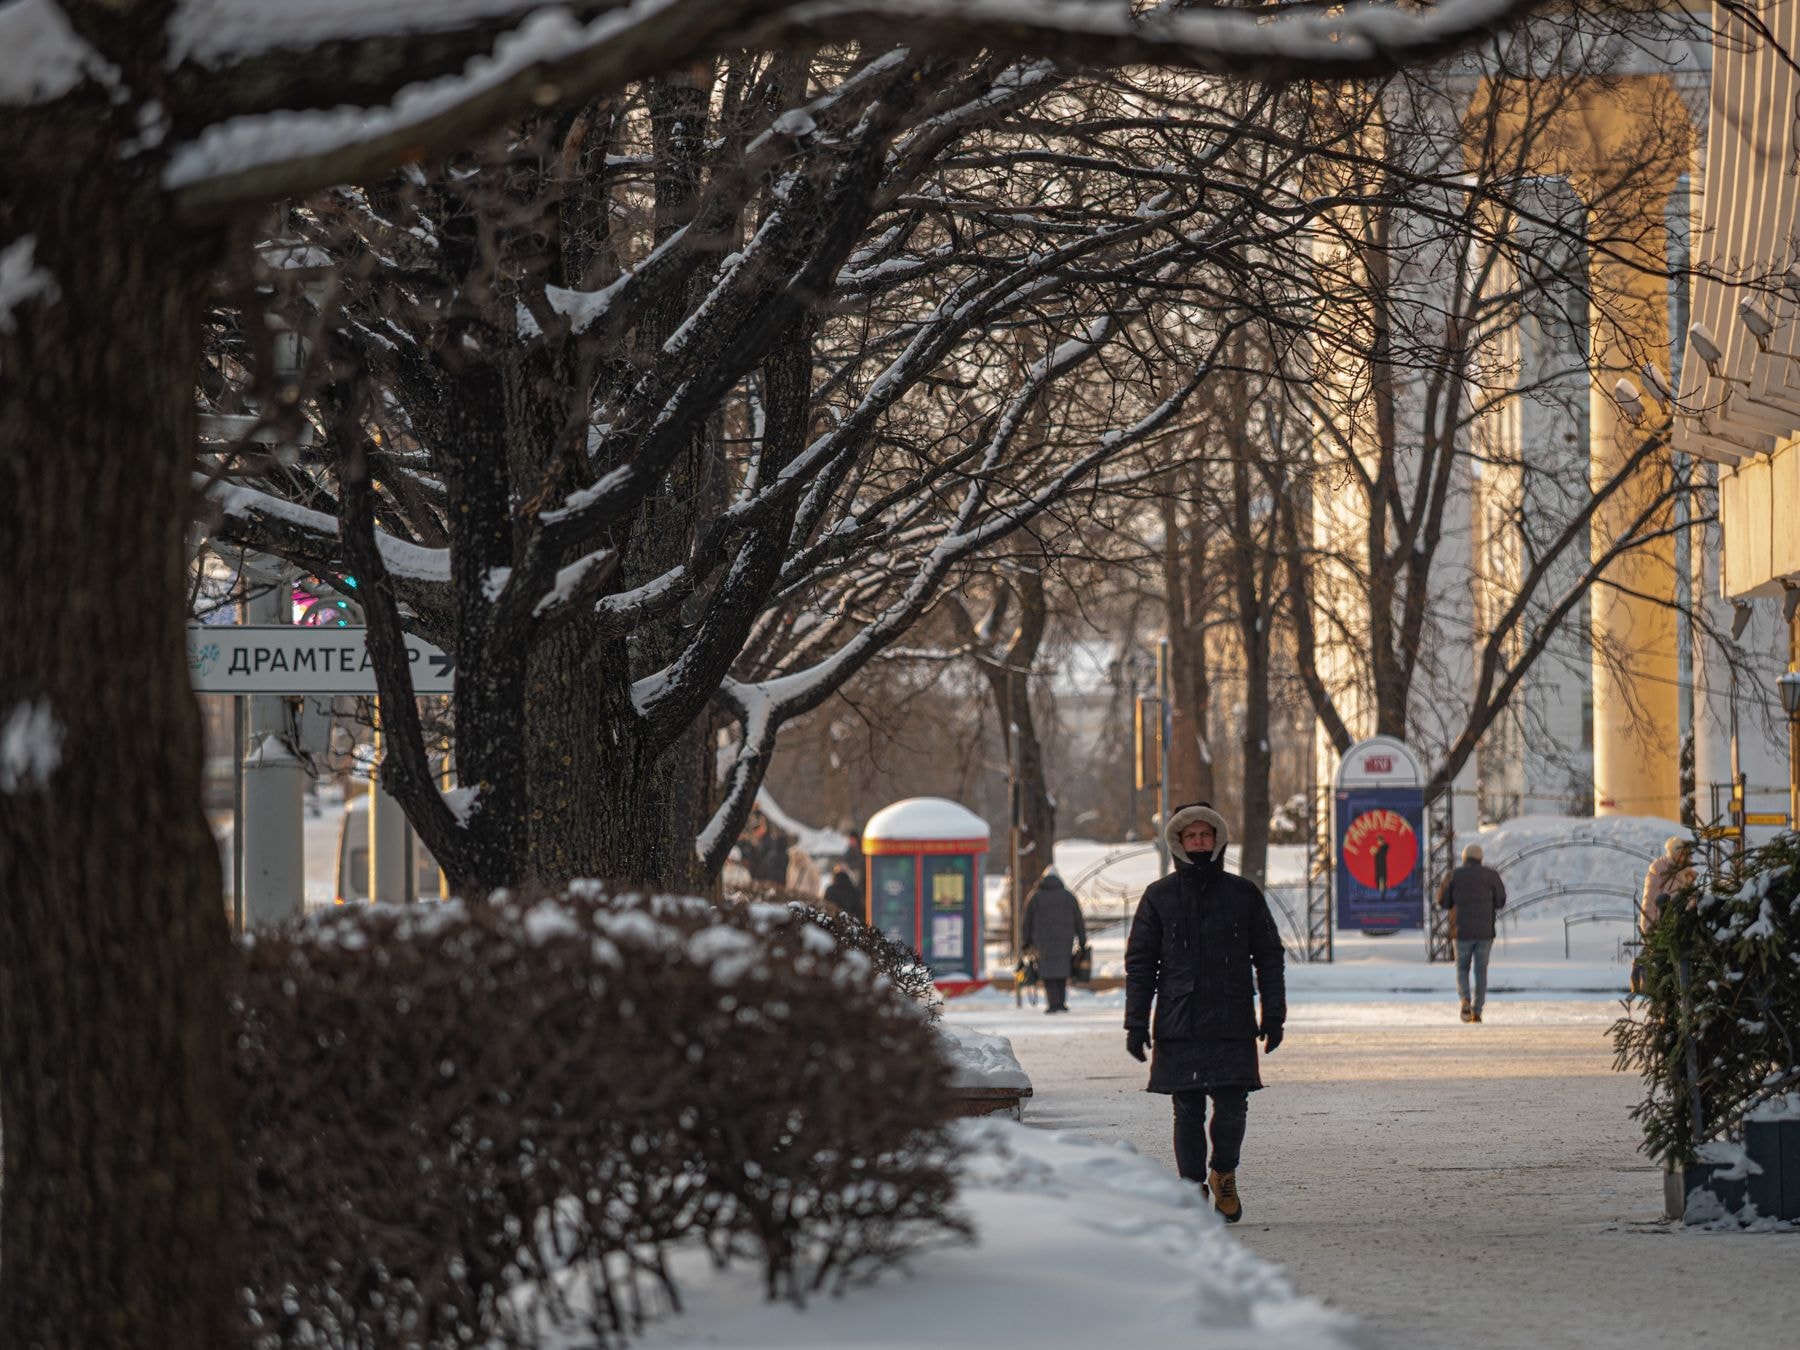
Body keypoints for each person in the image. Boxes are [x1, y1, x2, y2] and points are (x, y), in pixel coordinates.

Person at [1124, 802, 1285, 1223]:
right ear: (1178, 842)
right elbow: (1141, 964)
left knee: (1233, 1107)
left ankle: (1223, 1173)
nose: (1198, 842)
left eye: (1205, 835)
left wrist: (1274, 1015)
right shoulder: (1159, 897)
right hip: (1180, 1019)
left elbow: (1269, 956)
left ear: (1218, 840)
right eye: (1190, 836)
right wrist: (1136, 1022)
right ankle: (1190, 1188)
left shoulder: (1242, 893)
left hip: (1231, 1018)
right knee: (1188, 1110)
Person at [1435, 842, 1507, 1023]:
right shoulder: (1491, 875)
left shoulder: (1454, 875)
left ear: (1464, 858)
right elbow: (1500, 901)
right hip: (1484, 932)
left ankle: (1465, 999)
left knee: (1462, 967)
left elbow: (1442, 901)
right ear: (1480, 858)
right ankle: (1477, 1010)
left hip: (1460, 930)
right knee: (1481, 971)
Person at [1021, 868, 1087, 1014]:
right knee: (1062, 969)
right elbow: (1078, 919)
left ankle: (1053, 1003)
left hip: (1042, 942)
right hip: (1065, 941)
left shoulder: (1035, 897)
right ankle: (1061, 1003)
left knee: (1048, 971)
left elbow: (1027, 921)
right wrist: (1082, 939)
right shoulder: (1068, 896)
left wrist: (1025, 942)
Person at [1639, 836, 1695, 938]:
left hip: (1686, 932)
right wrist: (1650, 934)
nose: (1684, 858)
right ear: (1673, 855)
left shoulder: (1688, 874)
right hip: (1664, 933)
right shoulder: (1658, 872)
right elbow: (1649, 905)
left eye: (1686, 855)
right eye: (1681, 854)